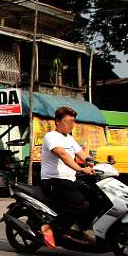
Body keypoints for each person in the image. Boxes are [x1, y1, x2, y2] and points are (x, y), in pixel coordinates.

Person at [40, 106, 95, 247]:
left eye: (73, 121)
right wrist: (81, 169)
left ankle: (78, 229)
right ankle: (50, 227)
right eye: (68, 121)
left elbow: (81, 154)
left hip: (69, 180)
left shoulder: (69, 138)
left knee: (95, 197)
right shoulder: (50, 136)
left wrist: (93, 162)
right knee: (80, 204)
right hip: (53, 181)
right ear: (57, 122)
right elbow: (63, 155)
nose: (72, 124)